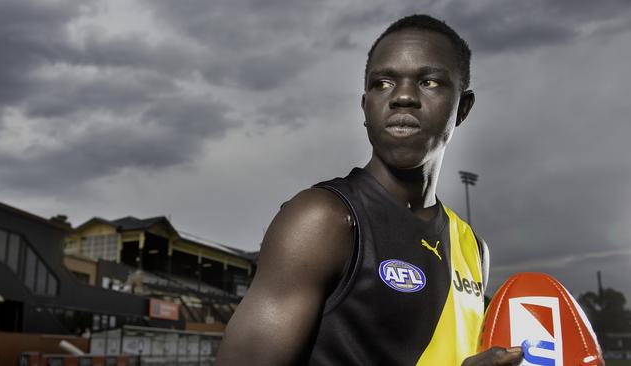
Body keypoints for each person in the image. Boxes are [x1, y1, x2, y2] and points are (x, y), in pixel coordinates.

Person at [216, 14, 523, 366]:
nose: (403, 96)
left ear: (462, 108)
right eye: (383, 83)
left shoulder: (473, 249)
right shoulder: (322, 220)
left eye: (429, 82)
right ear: (365, 107)